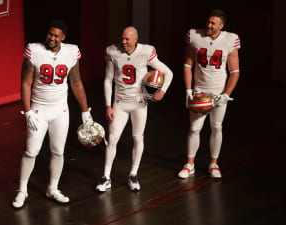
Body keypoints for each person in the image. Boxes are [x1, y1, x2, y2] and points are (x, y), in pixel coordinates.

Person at [13, 20, 94, 208]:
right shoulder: (34, 50)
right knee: (31, 151)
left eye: (56, 36)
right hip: (39, 110)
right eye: (50, 34)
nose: (52, 38)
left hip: (60, 110)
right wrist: (27, 111)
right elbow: (25, 82)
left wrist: (85, 110)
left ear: (63, 38)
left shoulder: (71, 51)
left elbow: (76, 82)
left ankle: (53, 188)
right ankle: (22, 190)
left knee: (58, 151)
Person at [95, 26, 173, 192]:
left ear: (136, 39)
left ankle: (133, 174)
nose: (123, 42)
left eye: (127, 39)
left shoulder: (146, 52)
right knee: (113, 138)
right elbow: (108, 80)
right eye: (122, 38)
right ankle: (106, 176)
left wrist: (162, 91)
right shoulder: (112, 52)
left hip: (139, 103)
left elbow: (168, 72)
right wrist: (108, 105)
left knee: (138, 138)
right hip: (120, 103)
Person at [178, 9, 240, 179]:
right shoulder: (195, 36)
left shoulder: (230, 40)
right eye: (208, 21)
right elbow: (187, 65)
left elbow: (234, 71)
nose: (209, 25)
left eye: (213, 23)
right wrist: (188, 90)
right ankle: (190, 164)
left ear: (221, 26)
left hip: (219, 92)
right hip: (199, 90)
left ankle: (214, 163)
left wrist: (226, 94)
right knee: (194, 128)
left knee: (216, 127)